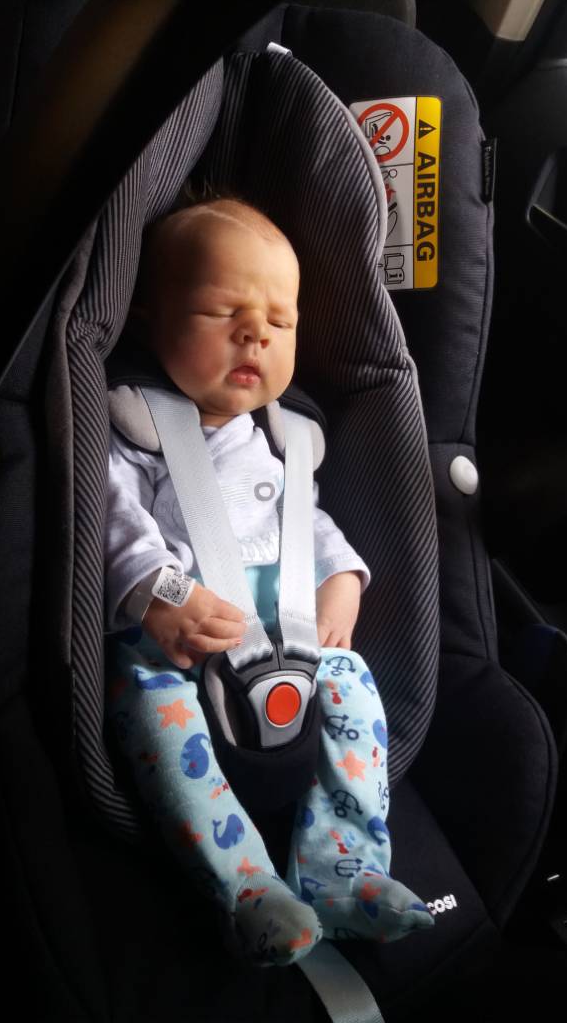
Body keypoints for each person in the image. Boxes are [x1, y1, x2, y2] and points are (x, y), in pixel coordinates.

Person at [104, 197, 433, 967]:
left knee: (353, 684)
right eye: (222, 312)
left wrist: (343, 578)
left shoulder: (287, 439)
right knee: (150, 704)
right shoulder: (136, 427)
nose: (255, 333)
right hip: (182, 645)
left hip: (289, 641)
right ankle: (247, 890)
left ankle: (342, 867)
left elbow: (306, 523)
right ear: (152, 320)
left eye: (280, 322)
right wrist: (160, 594)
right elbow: (111, 519)